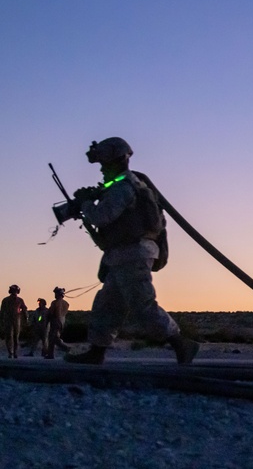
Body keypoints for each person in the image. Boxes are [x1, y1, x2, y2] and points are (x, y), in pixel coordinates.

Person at [63, 137, 199, 365]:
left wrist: (86, 203)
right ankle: (98, 351)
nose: (102, 169)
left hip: (133, 254)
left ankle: (180, 342)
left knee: (143, 305)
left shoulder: (124, 188)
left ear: (115, 161)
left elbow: (101, 217)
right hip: (123, 255)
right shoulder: (124, 186)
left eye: (104, 164)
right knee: (107, 305)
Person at [1, 285, 28, 359]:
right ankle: (10, 352)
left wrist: (26, 318)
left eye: (15, 290)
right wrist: (2, 321)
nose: (14, 292)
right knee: (9, 336)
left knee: (16, 337)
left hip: (17, 319)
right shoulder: (5, 300)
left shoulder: (20, 300)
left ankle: (15, 352)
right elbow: (2, 311)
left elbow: (24, 309)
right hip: (8, 320)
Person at [46, 287, 71, 359]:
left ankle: (64, 349)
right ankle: (52, 353)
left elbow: (51, 313)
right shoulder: (66, 303)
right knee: (55, 338)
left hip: (55, 321)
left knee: (52, 338)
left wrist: (47, 320)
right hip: (62, 321)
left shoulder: (55, 302)